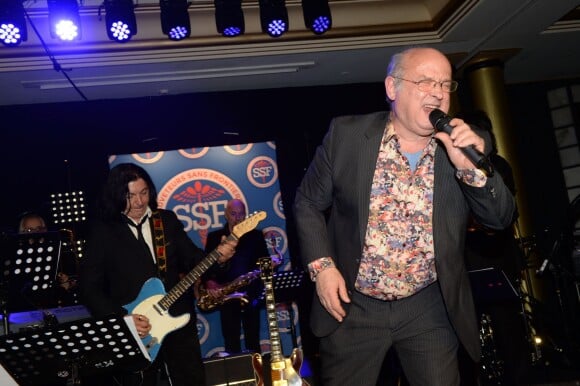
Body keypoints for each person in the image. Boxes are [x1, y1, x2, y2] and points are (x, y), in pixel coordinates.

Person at [293, 46, 517, 386]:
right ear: (392, 88)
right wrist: (322, 268)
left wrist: (468, 169)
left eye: (445, 84)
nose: (438, 93)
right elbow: (307, 202)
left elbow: (500, 219)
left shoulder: (467, 143)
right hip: (355, 305)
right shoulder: (347, 137)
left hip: (428, 306)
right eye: (425, 82)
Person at [79, 163, 238, 386]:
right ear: (116, 195)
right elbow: (88, 288)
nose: (139, 202)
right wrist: (121, 319)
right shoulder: (103, 231)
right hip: (135, 327)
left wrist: (219, 259)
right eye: (130, 195)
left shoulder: (166, 220)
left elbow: (194, 259)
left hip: (178, 321)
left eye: (144, 193)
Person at [456, 109, 529, 385]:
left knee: (505, 327)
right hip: (471, 261)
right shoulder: (457, 166)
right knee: (474, 330)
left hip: (493, 259)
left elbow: (505, 212)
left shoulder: (496, 165)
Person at [201, 199, 269, 354]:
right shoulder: (214, 237)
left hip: (251, 295)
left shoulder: (257, 236)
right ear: (226, 215)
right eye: (233, 213)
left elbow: (264, 261)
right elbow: (205, 266)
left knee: (253, 340)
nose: (237, 218)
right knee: (231, 341)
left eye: (241, 214)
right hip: (227, 295)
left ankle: (257, 374)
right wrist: (210, 282)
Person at [17, 211, 79, 307]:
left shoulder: (59, 253)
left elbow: (74, 281)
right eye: (29, 230)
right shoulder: (18, 259)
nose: (35, 233)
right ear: (21, 233)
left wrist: (67, 284)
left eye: (38, 229)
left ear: (45, 231)